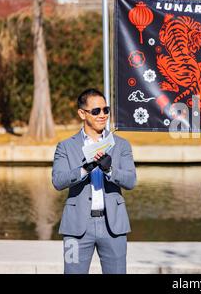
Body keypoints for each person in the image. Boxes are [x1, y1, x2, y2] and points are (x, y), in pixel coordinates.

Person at [52, 88, 136, 274]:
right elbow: (58, 181)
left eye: (106, 110)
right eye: (96, 111)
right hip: (75, 228)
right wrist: (84, 169)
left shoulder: (121, 144)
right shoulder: (66, 146)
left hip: (113, 226)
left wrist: (110, 170)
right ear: (82, 113)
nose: (103, 115)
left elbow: (130, 181)